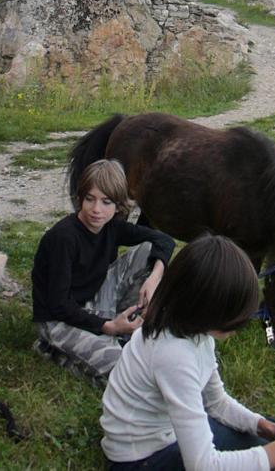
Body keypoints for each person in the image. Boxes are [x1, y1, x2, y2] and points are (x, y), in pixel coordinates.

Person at [100, 234, 275, 470]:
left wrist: (264, 427)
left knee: (260, 439)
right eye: (234, 317)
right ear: (206, 308)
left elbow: (216, 402)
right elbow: (203, 465)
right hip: (139, 460)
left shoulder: (192, 329)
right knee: (265, 456)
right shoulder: (173, 355)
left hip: (167, 432)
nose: (238, 328)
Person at [31, 158, 175, 384]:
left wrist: (155, 278)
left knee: (148, 250)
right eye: (90, 199)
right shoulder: (63, 238)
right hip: (58, 319)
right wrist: (107, 327)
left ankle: (126, 326)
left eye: (106, 202)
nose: (96, 210)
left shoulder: (111, 227)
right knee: (125, 369)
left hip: (93, 301)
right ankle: (53, 348)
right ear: (80, 198)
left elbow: (164, 240)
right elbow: (57, 303)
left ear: (118, 206)